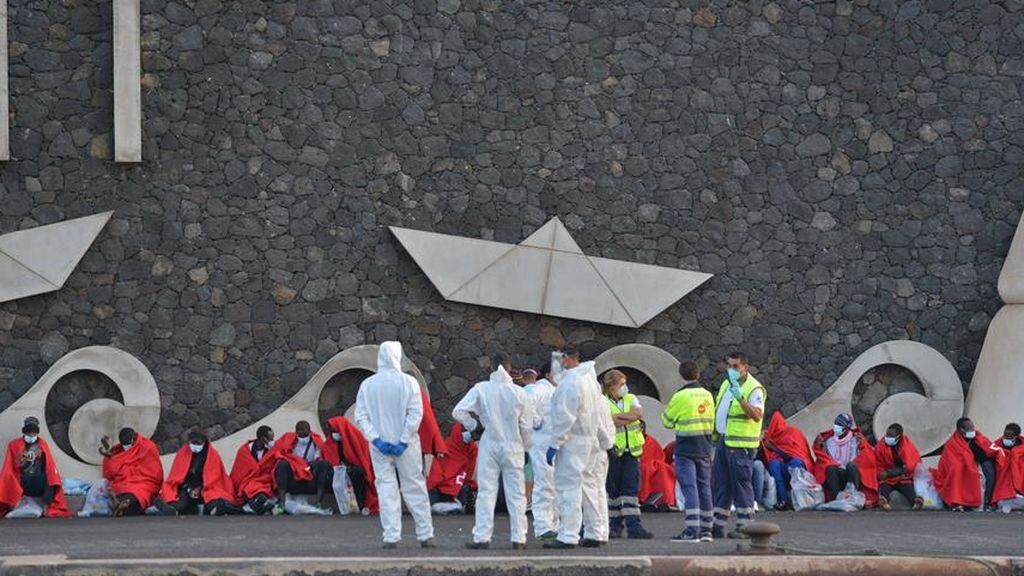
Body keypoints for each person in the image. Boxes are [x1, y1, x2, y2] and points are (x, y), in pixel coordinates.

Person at [354, 341, 436, 549]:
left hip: (380, 447)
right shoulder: (409, 383)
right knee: (415, 488)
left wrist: (375, 439)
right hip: (406, 446)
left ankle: (391, 537)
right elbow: (416, 413)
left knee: (386, 489)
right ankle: (425, 535)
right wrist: (403, 439)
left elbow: (361, 416)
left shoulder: (368, 384)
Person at [453, 351, 532, 550]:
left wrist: (473, 426)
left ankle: (482, 537)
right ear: (509, 367)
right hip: (513, 445)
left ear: (491, 366)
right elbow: (526, 426)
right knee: (516, 494)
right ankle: (519, 538)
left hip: (490, 442)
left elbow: (458, 411)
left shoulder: (481, 389)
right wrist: (526, 448)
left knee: (486, 492)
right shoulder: (519, 393)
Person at [543, 344, 615, 549]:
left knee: (569, 489)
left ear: (566, 358)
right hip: (591, 441)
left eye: (557, 358)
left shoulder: (570, 383)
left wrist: (555, 444)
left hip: (573, 443)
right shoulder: (590, 381)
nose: (556, 363)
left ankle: (568, 535)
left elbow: (564, 417)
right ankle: (595, 532)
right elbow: (598, 413)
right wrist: (605, 441)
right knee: (591, 488)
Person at [711, 352, 765, 539]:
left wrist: (741, 399)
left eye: (735, 366)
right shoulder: (727, 384)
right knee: (721, 485)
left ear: (745, 368)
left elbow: (757, 415)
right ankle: (717, 525)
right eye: (729, 366)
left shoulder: (754, 388)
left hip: (741, 445)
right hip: (724, 441)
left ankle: (746, 527)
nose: (731, 370)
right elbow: (721, 411)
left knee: (741, 485)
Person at [662, 361, 715, 542]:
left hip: (685, 448)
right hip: (705, 447)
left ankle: (693, 530)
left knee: (689, 487)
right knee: (705, 487)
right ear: (698, 374)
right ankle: (707, 529)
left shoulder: (680, 396)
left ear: (681, 376)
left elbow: (667, 421)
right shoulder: (708, 395)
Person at [601, 369, 653, 539]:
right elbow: (608, 420)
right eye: (621, 384)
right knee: (613, 491)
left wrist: (618, 417)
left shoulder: (631, 398)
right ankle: (615, 526)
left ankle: (634, 526)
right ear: (612, 387)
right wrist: (627, 417)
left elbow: (638, 413)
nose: (625, 388)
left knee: (630, 490)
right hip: (614, 451)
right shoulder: (602, 402)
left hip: (632, 452)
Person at [0, 417, 70, 518]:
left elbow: (49, 465)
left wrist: (42, 456)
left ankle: (46, 507)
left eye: (34, 433)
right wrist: (20, 460)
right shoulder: (14, 444)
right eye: (29, 433)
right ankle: (13, 505)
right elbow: (11, 467)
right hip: (22, 479)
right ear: (25, 432)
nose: (31, 435)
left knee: (51, 477)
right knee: (8, 479)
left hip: (38, 479)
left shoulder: (42, 444)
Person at [160, 429, 238, 515]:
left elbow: (214, 478)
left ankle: (216, 509)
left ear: (204, 442)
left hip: (206, 488)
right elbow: (177, 477)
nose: (195, 446)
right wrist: (189, 489)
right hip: (186, 488)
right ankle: (172, 509)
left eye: (198, 443)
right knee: (181, 500)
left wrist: (199, 488)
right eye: (193, 443)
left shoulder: (212, 455)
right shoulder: (182, 453)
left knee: (212, 497)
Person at [524, 362, 559, 541]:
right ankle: (543, 526)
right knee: (544, 484)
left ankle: (554, 525)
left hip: (555, 444)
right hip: (541, 445)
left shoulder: (558, 390)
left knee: (555, 485)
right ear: (547, 374)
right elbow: (526, 403)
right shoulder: (540, 389)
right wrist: (536, 423)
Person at [933, 417, 999, 511]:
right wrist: (969, 465)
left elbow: (990, 449)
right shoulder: (952, 443)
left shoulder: (978, 438)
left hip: (982, 464)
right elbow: (951, 462)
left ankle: (987, 503)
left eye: (973, 427)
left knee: (990, 473)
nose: (972, 430)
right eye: (969, 428)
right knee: (957, 470)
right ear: (961, 430)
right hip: (966, 468)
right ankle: (958, 502)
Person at [811, 413, 878, 504]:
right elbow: (824, 459)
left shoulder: (856, 440)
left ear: (847, 428)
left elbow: (866, 457)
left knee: (852, 466)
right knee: (830, 468)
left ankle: (852, 495)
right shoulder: (828, 441)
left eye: (840, 425)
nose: (836, 428)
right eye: (836, 424)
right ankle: (836, 498)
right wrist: (820, 447)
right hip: (837, 473)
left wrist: (862, 446)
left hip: (851, 473)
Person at [271, 421, 333, 515]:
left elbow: (319, 458)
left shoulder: (316, 442)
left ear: (309, 431)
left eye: (305, 435)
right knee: (282, 464)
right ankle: (282, 503)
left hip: (310, 477)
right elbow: (281, 454)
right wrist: (297, 465)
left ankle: (318, 502)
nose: (302, 438)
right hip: (294, 478)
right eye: (300, 435)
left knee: (324, 464)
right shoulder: (289, 441)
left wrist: (309, 466)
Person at [100, 427, 164, 516]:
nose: (126, 448)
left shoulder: (148, 447)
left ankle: (120, 503)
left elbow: (155, 471)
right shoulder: (120, 449)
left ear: (134, 438)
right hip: (127, 481)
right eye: (124, 446)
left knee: (137, 492)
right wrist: (107, 451)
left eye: (128, 445)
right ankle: (124, 503)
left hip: (146, 481)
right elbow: (111, 470)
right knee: (131, 492)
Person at [760, 411, 813, 511]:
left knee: (795, 462)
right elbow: (770, 457)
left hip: (798, 466)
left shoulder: (793, 432)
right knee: (774, 464)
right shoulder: (771, 437)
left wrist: (774, 448)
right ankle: (782, 500)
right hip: (783, 467)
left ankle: (800, 499)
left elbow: (795, 454)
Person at [323, 416, 376, 513]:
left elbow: (362, 459)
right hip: (338, 472)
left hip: (353, 471)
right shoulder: (330, 442)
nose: (332, 432)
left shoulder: (357, 439)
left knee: (358, 472)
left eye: (334, 429)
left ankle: (358, 502)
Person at [427, 421, 478, 513]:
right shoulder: (447, 447)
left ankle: (444, 506)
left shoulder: (472, 449)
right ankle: (452, 506)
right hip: (447, 489)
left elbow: (435, 473)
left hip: (452, 488)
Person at [229, 425, 278, 514]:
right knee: (251, 488)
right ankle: (257, 506)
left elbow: (271, 468)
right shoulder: (245, 450)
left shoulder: (271, 451)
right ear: (263, 439)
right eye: (270, 439)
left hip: (264, 481)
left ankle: (255, 506)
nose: (272, 441)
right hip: (247, 480)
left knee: (262, 492)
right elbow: (239, 471)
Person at [874, 423, 923, 510]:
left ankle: (915, 502)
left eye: (891, 435)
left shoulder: (907, 446)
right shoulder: (880, 446)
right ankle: (884, 501)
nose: (888, 437)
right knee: (884, 486)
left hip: (903, 476)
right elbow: (878, 463)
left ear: (899, 436)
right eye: (887, 435)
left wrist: (890, 472)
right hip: (887, 478)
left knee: (907, 487)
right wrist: (880, 473)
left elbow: (911, 465)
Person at [992, 423, 1024, 511]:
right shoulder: (997, 445)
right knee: (1002, 501)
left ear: (1016, 437)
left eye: (1010, 436)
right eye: (1005, 435)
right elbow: (989, 451)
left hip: (1018, 488)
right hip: (1004, 488)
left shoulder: (1021, 449)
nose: (1006, 438)